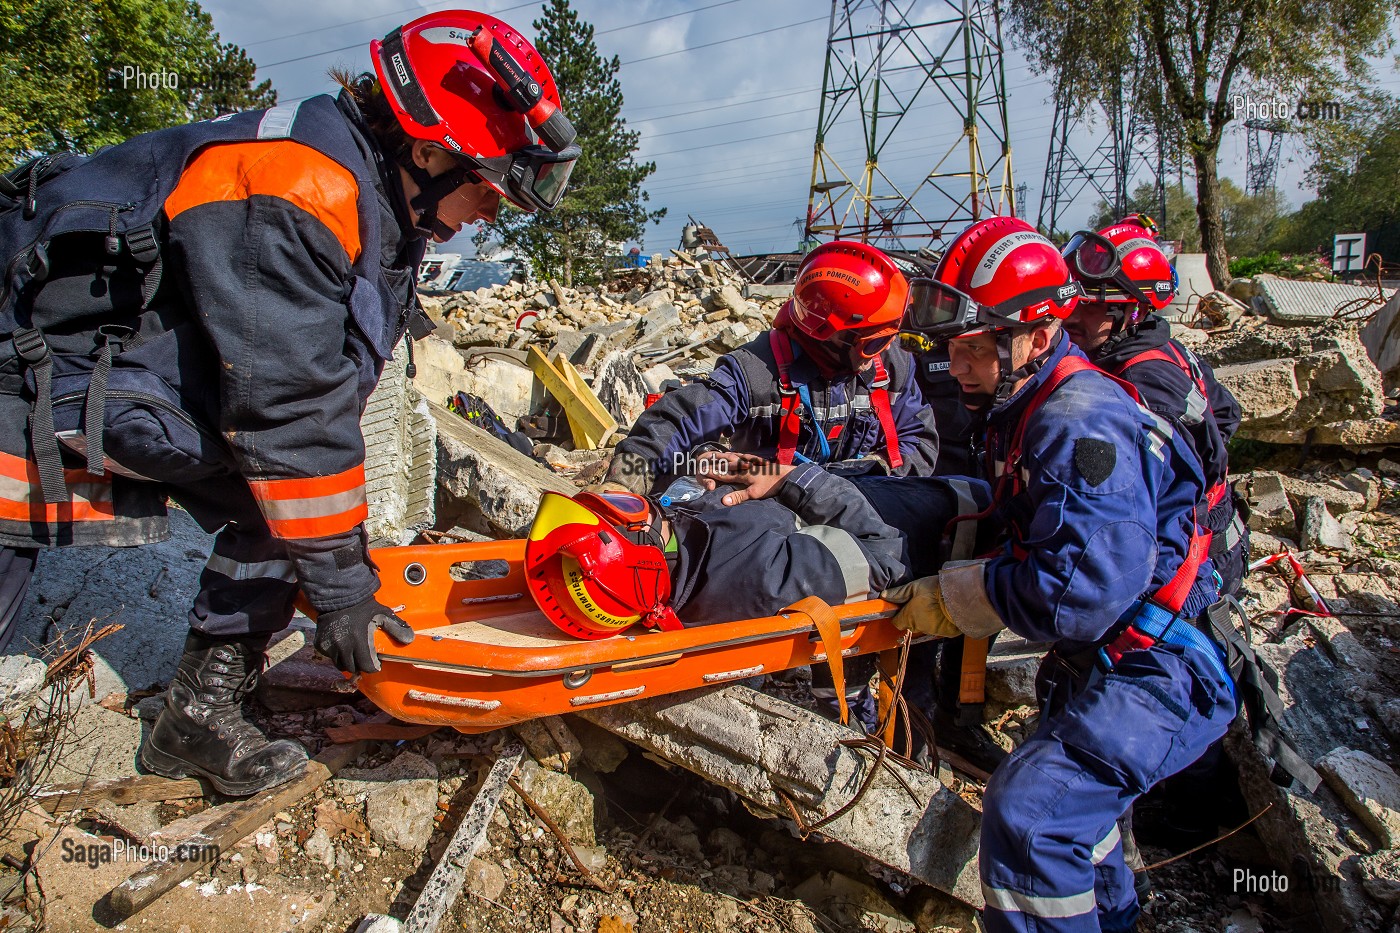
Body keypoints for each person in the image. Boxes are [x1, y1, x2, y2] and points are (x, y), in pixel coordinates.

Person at [0, 10, 579, 796]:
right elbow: (290, 414)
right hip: (28, 367)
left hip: (134, 375)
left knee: (281, 505)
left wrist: (336, 552)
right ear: (428, 151)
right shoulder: (299, 187)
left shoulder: (382, 206)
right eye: (487, 190)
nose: (490, 213)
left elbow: (321, 404)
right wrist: (344, 593)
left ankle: (197, 715)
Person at [884, 216, 1236, 933]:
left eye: (978, 350)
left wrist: (959, 598)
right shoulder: (1026, 401)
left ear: (1039, 335)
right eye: (954, 350)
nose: (960, 369)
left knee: (1033, 815)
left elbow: (1075, 592)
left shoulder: (1078, 423)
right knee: (1080, 817)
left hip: (1157, 666)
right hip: (1114, 653)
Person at [602, 240, 939, 493]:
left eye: (892, 333)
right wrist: (622, 485)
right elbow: (675, 421)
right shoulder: (755, 374)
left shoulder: (889, 368)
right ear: (828, 336)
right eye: (876, 341)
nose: (889, 347)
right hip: (774, 505)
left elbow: (920, 443)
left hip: (865, 498)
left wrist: (865, 474)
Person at [1061, 215, 1248, 595]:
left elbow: (1165, 499)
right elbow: (1227, 414)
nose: (1072, 315)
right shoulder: (1167, 348)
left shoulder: (1142, 381)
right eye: (1071, 300)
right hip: (1214, 536)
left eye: (1090, 305)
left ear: (1132, 310)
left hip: (1191, 562)